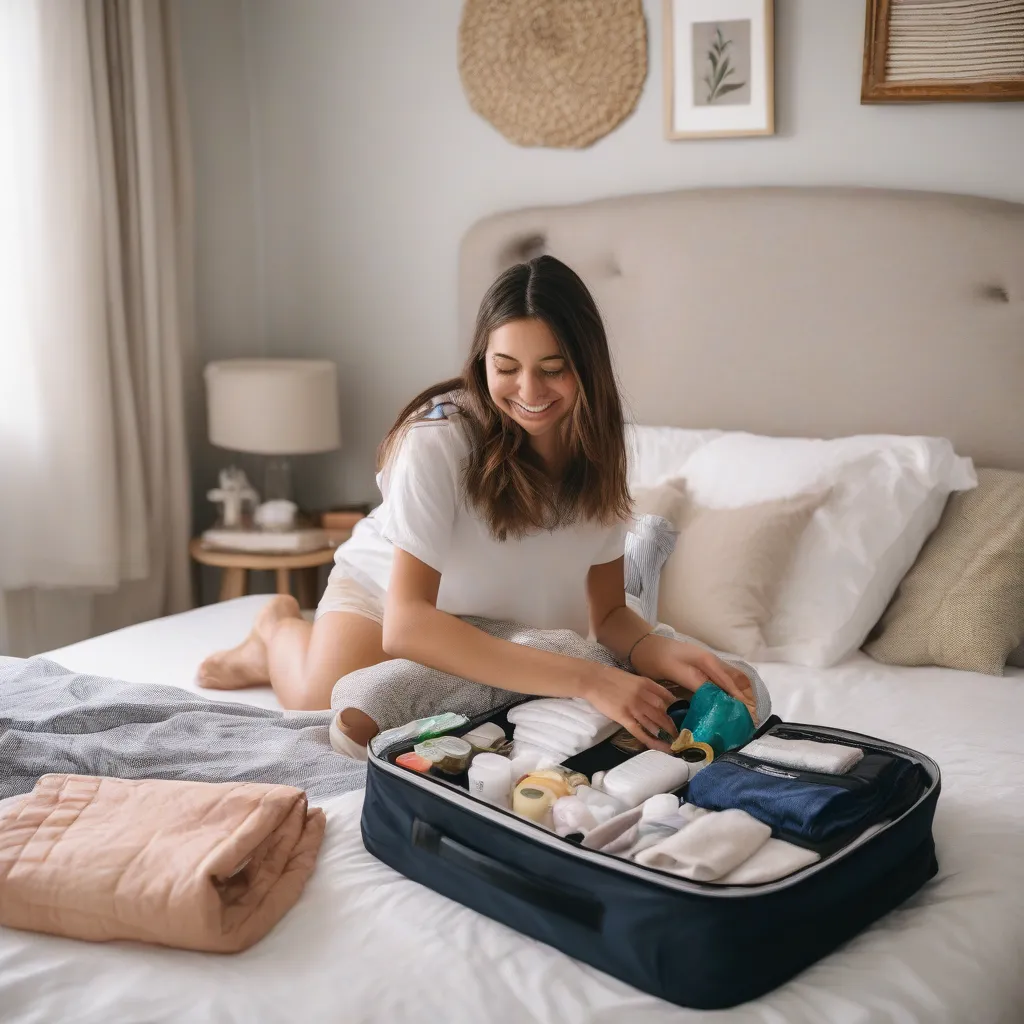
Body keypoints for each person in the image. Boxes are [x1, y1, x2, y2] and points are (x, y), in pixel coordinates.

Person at [198, 255, 753, 752]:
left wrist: (658, 650)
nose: (529, 392)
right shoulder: (436, 441)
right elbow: (408, 625)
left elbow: (606, 614)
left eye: (553, 369)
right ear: (482, 359)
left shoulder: (601, 453)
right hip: (390, 597)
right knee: (317, 702)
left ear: (587, 366)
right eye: (506, 368)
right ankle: (275, 629)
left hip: (502, 621)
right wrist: (588, 679)